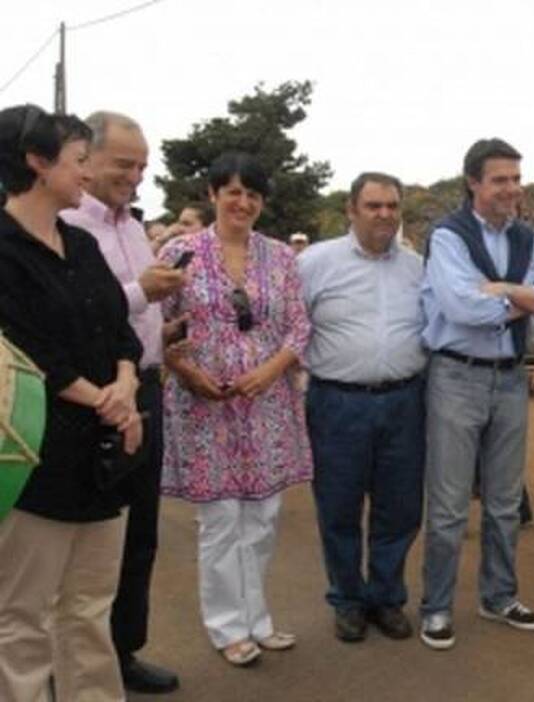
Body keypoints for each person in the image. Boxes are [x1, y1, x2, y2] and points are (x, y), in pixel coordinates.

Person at [0, 104, 144, 702]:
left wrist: (127, 386)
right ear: (36, 162)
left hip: (104, 452)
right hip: (36, 453)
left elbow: (121, 333)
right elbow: (27, 349)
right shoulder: (4, 251)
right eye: (77, 159)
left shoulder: (81, 244)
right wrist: (108, 401)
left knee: (89, 607)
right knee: (21, 616)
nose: (86, 172)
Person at [159, 152, 312, 667]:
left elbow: (299, 327)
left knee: (264, 516)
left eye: (253, 194)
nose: (243, 202)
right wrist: (186, 371)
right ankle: (227, 627)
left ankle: (258, 619)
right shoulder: (181, 253)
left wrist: (271, 371)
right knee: (221, 519)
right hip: (205, 407)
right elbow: (159, 327)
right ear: (212, 195)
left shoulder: (280, 258)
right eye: (233, 191)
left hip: (268, 406)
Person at [418, 138, 534, 651]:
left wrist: (502, 292)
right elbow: (462, 309)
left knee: (505, 501)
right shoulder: (447, 236)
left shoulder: (527, 237)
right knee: (448, 504)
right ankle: (436, 606)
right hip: (456, 375)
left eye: (516, 179)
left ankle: (499, 595)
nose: (512, 189)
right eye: (501, 179)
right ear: (474, 183)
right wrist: (527, 299)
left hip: (509, 377)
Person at [59, 110, 184, 694]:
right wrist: (142, 292)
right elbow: (78, 313)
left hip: (149, 390)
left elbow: (135, 317)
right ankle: (71, 666)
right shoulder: (62, 224)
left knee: (140, 536)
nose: (134, 177)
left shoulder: (133, 226)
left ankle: (123, 651)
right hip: (91, 401)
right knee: (81, 547)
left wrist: (167, 330)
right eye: (123, 164)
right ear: (85, 159)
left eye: (142, 166)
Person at [297, 172, 427, 643]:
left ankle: (387, 598)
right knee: (339, 506)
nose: (384, 215)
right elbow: (293, 328)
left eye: (392, 206)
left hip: (404, 402)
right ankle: (348, 600)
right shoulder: (315, 263)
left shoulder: (416, 266)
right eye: (373, 206)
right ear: (351, 210)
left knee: (400, 507)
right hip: (338, 404)